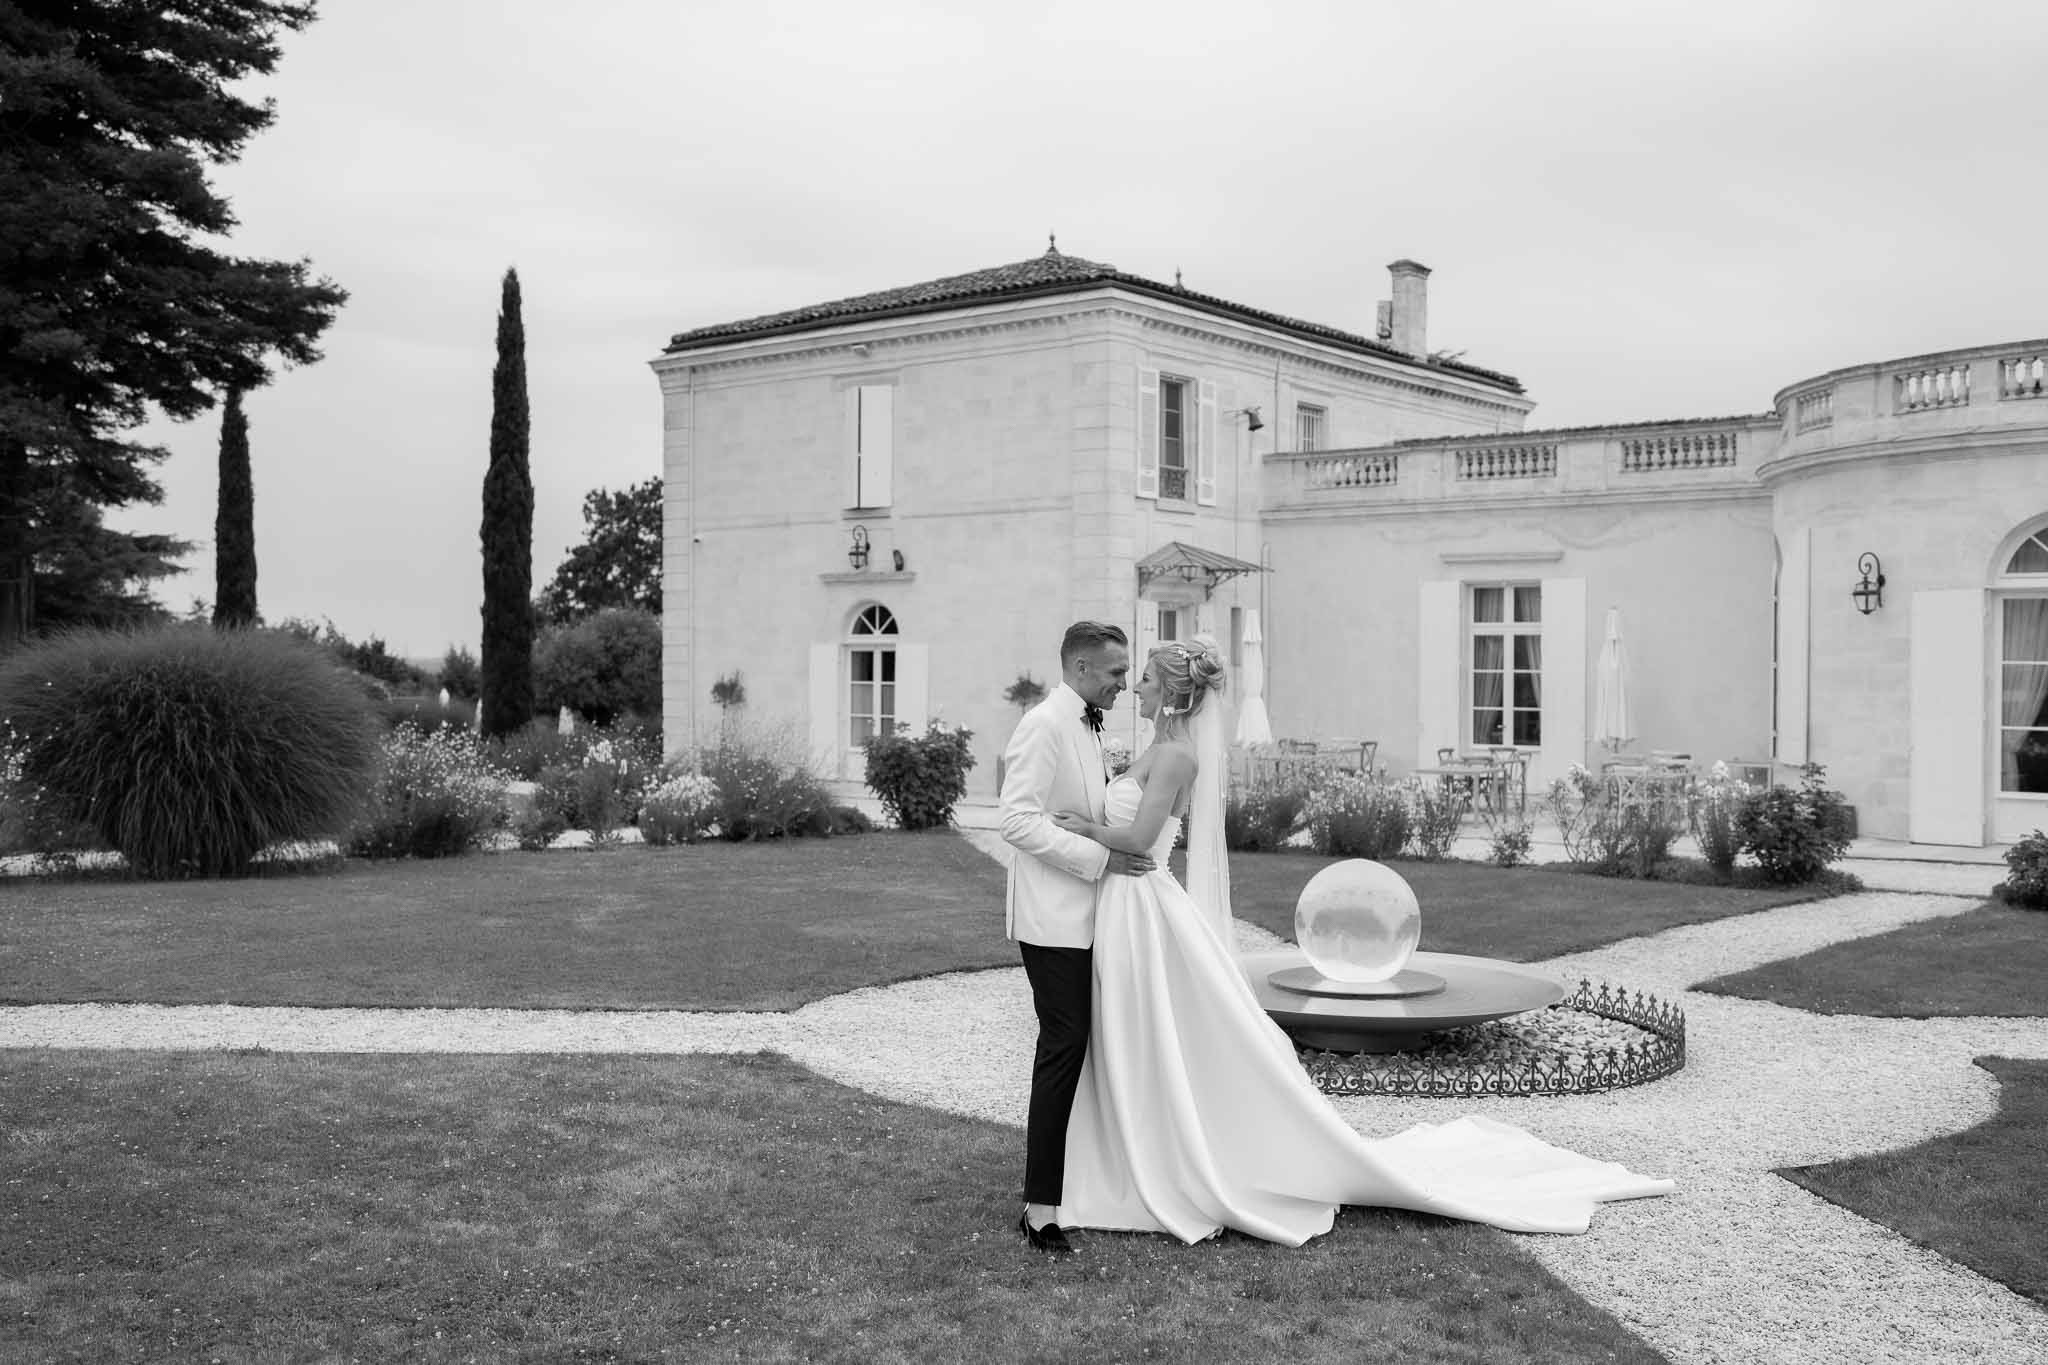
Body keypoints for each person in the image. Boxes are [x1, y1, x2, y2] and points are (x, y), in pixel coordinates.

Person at [1046, 638, 1675, 1247]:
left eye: (1148, 679)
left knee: (1143, 1024)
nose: (1136, 686)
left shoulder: (1178, 755)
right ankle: (1127, 1148)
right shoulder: (1156, 746)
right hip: (1123, 902)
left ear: (1174, 695)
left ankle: (1161, 1157)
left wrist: (1085, 828)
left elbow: (1140, 838)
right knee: (1129, 1026)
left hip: (1142, 899)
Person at [998, 620, 1156, 1256]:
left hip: (1094, 916)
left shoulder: (1089, 722)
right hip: (1053, 919)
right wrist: (1100, 858)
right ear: (1083, 668)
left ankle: (1087, 1185)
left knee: (1093, 1049)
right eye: (1117, 672)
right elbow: (1015, 819)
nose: (1124, 683)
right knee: (1063, 1050)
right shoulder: (1043, 723)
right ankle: (1040, 1210)